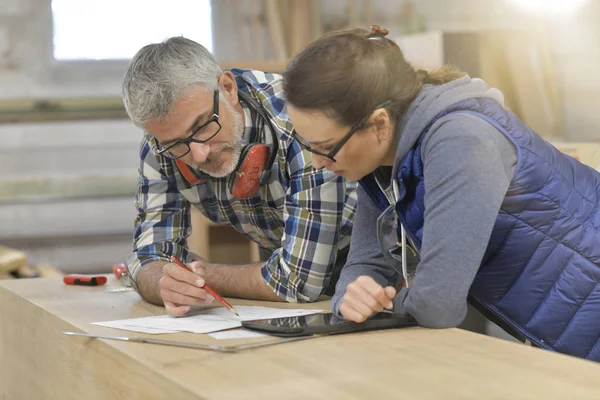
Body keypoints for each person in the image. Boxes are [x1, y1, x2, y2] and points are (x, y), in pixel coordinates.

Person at [282, 25, 600, 361]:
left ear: (378, 123)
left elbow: (437, 306)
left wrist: (380, 303)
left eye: (327, 147)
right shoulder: (380, 164)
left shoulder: (460, 140)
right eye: (309, 147)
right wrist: (352, 297)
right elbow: (364, 265)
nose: (317, 163)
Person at [122, 37, 357, 316]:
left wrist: (204, 276)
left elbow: (301, 281)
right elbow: (147, 256)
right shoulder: (162, 146)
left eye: (202, 125)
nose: (199, 154)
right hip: (286, 273)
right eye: (177, 144)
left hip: (373, 268)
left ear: (228, 88)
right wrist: (164, 282)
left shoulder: (299, 118)